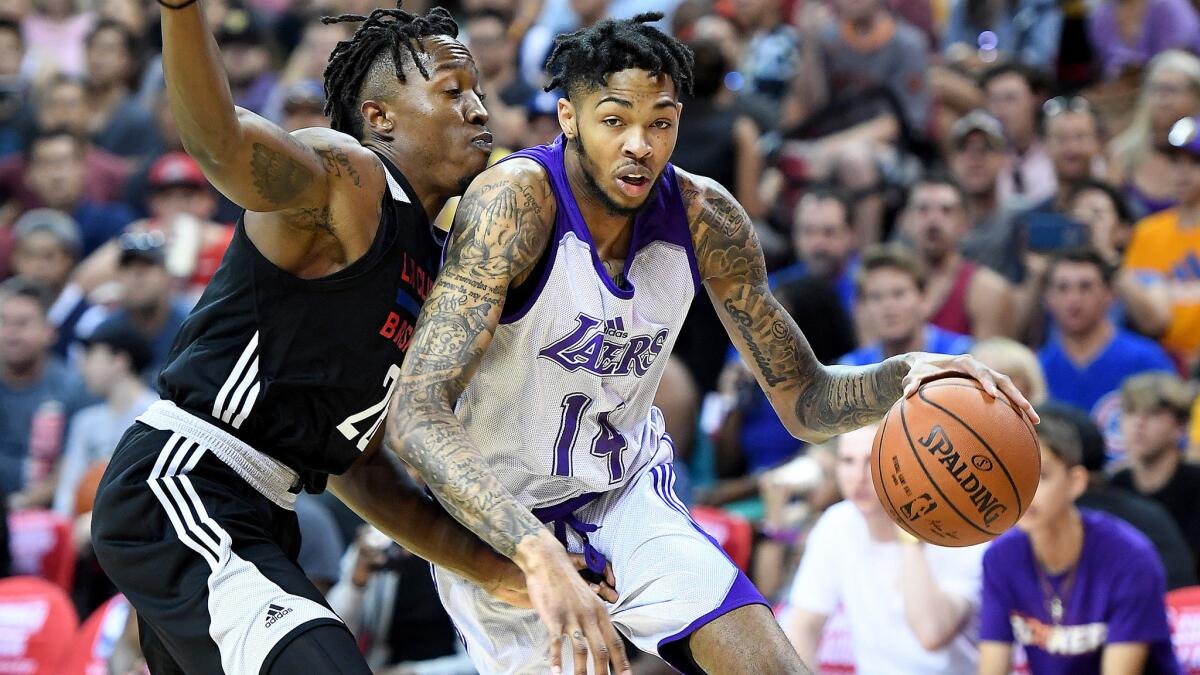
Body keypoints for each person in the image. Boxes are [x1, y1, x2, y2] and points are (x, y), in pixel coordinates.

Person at [387, 13, 1035, 675]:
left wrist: (907, 376)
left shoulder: (708, 219)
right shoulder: (516, 205)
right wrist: (531, 548)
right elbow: (415, 412)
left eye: (660, 121)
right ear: (568, 117)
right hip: (502, 523)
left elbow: (805, 400)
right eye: (615, 120)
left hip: (624, 494)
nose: (640, 144)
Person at [88, 3, 609, 673]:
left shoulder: (436, 262)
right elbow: (220, 141)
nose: (480, 110)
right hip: (187, 476)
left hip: (264, 507)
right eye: (453, 91)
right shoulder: (348, 179)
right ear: (381, 116)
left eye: (479, 93)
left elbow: (359, 471)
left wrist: (501, 571)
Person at [977, 415, 1180, 674]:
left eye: (1040, 475)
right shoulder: (1000, 558)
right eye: (1012, 475)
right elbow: (992, 668)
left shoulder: (1131, 558)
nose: (1022, 490)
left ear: (1076, 482)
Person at [783, 425, 987, 673]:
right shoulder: (836, 524)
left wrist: (908, 527)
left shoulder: (959, 532)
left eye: (872, 461)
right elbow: (804, 626)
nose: (858, 476)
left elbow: (930, 633)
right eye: (848, 461)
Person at [1047, 401, 1198, 590]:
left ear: (1076, 479)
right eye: (1131, 412)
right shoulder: (1124, 486)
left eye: (1043, 474)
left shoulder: (1113, 529)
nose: (1139, 423)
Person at [1037, 248, 1175, 417]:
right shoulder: (1038, 367)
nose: (1074, 299)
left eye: (1086, 287)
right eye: (1062, 288)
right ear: (1047, 297)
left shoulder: (1145, 360)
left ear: (1109, 294)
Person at [51, 317, 156, 519]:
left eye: (91, 355)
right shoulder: (85, 422)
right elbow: (66, 494)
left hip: (140, 525)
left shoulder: (158, 416)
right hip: (85, 530)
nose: (83, 367)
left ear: (120, 361)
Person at [0, 278, 84, 505]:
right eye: (3, 322)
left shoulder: (72, 388)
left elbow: (73, 467)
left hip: (44, 514)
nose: (10, 334)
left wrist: (18, 506)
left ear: (49, 332)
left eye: (22, 323)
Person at [1125, 115, 1200, 368]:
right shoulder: (1147, 231)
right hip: (1159, 365)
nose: (1183, 172)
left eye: (1194, 162)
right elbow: (1144, 316)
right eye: (1176, 162)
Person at [901, 176, 1014, 339]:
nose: (933, 220)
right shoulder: (881, 291)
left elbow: (990, 362)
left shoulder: (988, 291)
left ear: (965, 223)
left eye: (946, 210)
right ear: (905, 221)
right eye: (923, 209)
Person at [1111, 372, 1200, 578]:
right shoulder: (1115, 486)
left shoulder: (1196, 486)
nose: (1139, 423)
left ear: (1180, 427)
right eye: (1131, 411)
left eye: (1153, 413)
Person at [841, 243, 973, 365]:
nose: (888, 305)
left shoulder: (963, 355)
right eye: (876, 297)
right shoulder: (851, 370)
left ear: (923, 298)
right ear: (862, 308)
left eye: (899, 294)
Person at [1107, 50, 1200, 220]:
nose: (1162, 97)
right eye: (1155, 88)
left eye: (1171, 89)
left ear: (1196, 97)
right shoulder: (1122, 153)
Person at [23, 128, 136, 255]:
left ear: (83, 168)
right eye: (45, 164)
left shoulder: (115, 222)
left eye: (64, 162)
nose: (56, 174)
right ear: (30, 175)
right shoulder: (23, 232)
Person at [949, 109, 1024, 283]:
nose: (974, 159)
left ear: (1005, 159)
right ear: (952, 161)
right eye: (964, 149)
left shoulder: (1021, 219)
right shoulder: (932, 219)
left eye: (985, 148)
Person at [8, 209, 90, 358]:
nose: (38, 265)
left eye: (48, 256)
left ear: (69, 259)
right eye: (29, 255)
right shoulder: (5, 305)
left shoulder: (89, 316)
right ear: (16, 259)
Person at [980, 63, 1055, 204]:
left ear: (1036, 98)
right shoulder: (979, 159)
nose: (1000, 110)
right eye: (994, 99)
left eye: (1010, 98)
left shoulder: (1057, 151)